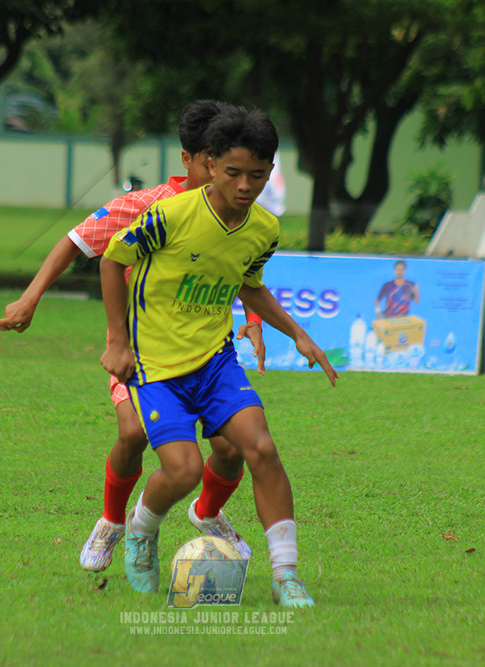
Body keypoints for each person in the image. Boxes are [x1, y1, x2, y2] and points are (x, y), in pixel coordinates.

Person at [0, 100, 264, 572]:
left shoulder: (239, 213)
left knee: (230, 447)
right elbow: (75, 242)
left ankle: (207, 512)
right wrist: (30, 298)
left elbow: (242, 274)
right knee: (134, 432)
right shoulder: (146, 205)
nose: (221, 171)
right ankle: (111, 522)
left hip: (208, 352)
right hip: (143, 354)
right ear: (190, 159)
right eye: (210, 159)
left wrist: (253, 323)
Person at [100, 105, 338, 607]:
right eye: (233, 173)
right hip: (157, 368)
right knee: (182, 471)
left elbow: (250, 286)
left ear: (271, 171)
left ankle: (286, 575)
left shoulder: (264, 229)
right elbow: (111, 258)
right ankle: (142, 532)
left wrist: (298, 333)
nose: (245, 185)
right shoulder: (168, 216)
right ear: (209, 164)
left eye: (257, 174)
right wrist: (117, 341)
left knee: (263, 449)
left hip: (215, 360)